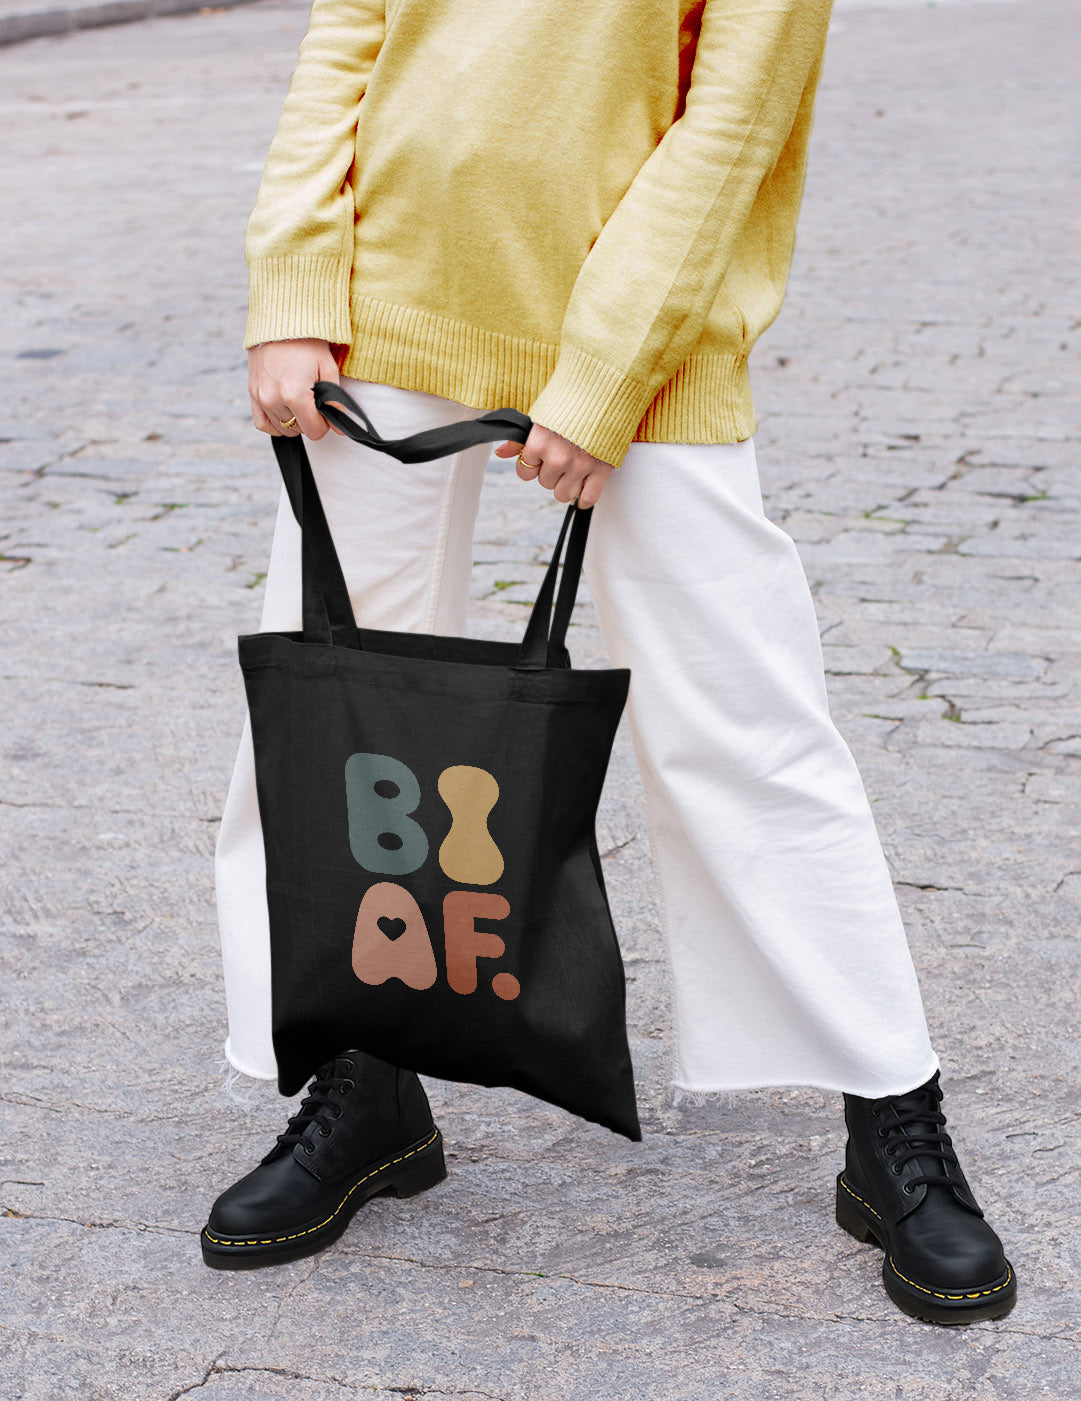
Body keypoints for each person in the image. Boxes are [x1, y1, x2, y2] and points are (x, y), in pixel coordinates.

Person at [202, 0, 1016, 1323]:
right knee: (331, 710)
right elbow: (349, 31)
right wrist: (293, 284)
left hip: (648, 327)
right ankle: (363, 1077)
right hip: (386, 290)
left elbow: (734, 114)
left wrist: (601, 370)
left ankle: (891, 1116)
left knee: (744, 719)